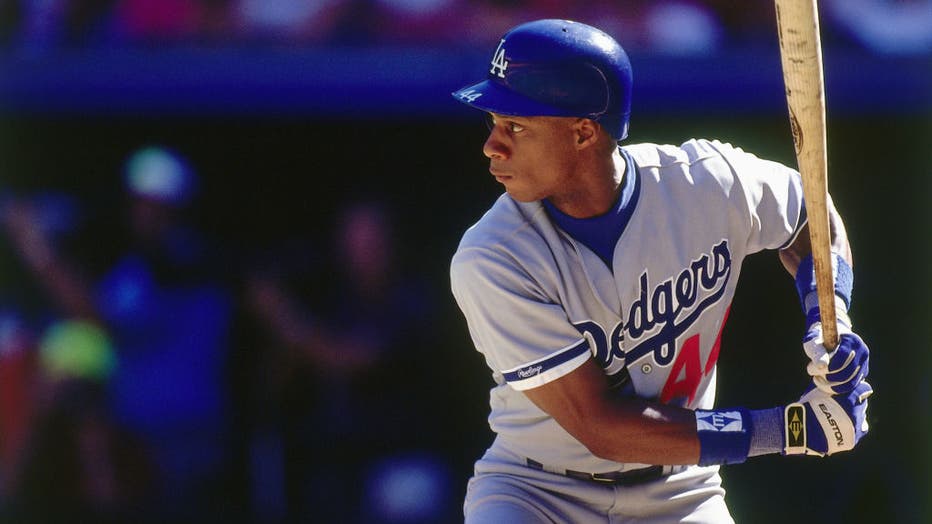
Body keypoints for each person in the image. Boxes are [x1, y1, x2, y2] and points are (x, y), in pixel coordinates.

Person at [449, 19, 872, 523]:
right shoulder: (493, 256)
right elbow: (601, 427)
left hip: (679, 490)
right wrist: (788, 429)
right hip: (537, 491)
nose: (492, 146)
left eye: (515, 126)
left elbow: (811, 216)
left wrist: (827, 315)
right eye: (494, 123)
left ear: (583, 132)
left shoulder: (705, 183)